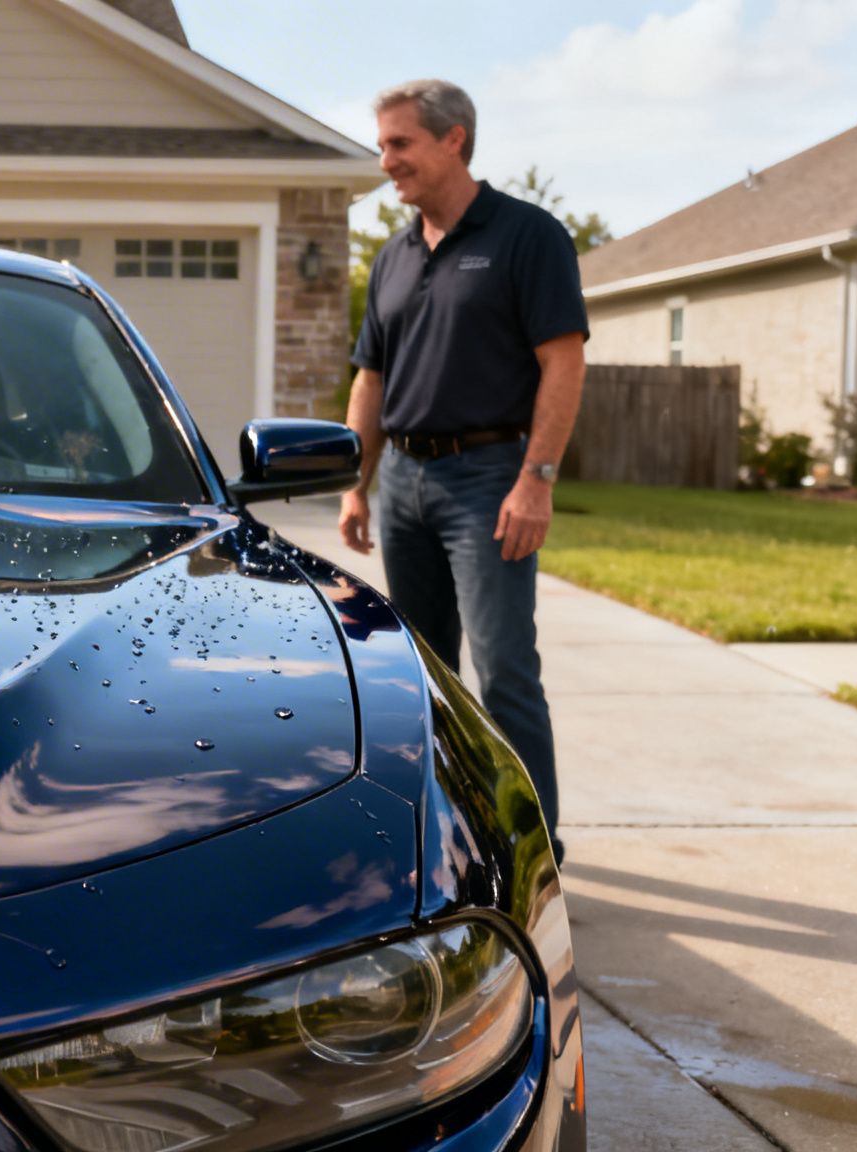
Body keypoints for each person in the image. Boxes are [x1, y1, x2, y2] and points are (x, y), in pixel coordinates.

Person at [341, 78, 587, 850]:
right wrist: (356, 484)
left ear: (454, 139)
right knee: (423, 677)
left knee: (505, 669)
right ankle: (451, 835)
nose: (386, 161)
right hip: (405, 484)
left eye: (399, 143)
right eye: (383, 144)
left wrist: (535, 480)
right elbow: (371, 379)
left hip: (489, 480)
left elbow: (564, 363)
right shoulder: (394, 255)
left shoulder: (527, 237)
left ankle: (532, 848)